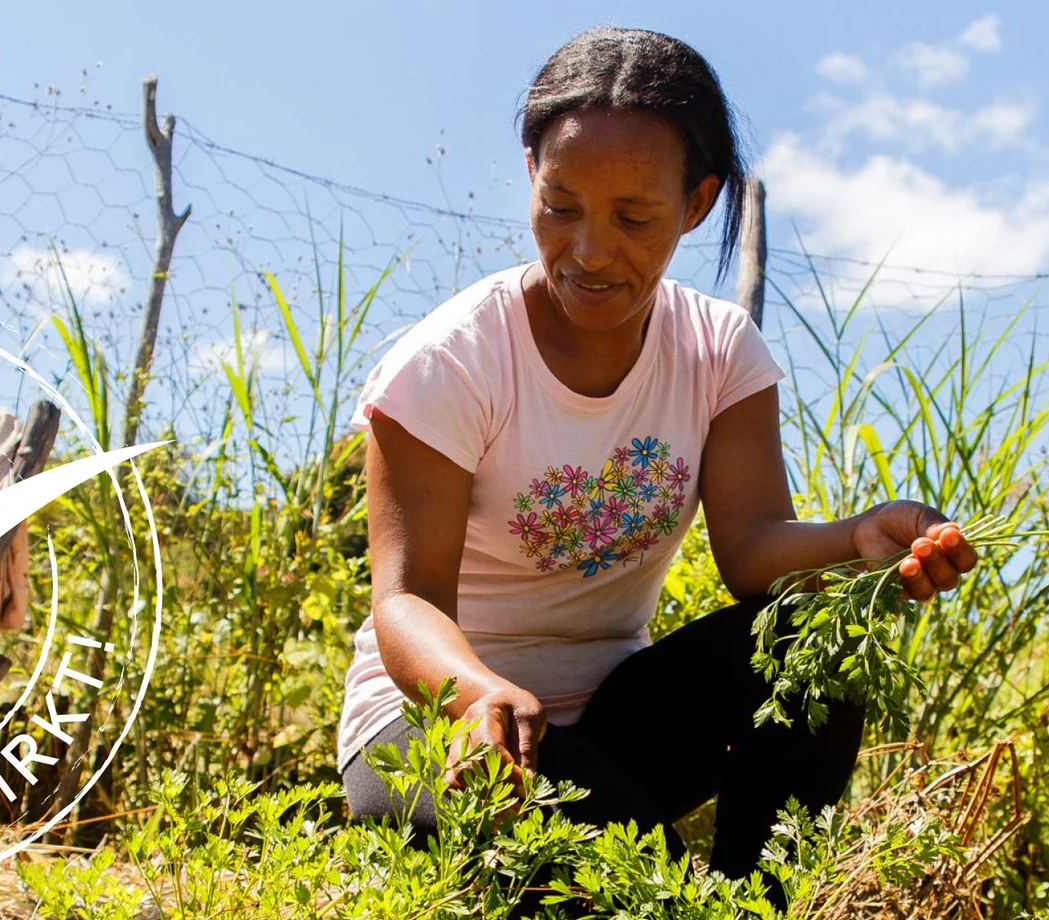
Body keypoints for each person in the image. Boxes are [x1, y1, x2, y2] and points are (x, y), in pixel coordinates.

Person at [337, 25, 978, 895]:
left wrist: (859, 538)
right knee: (630, 873)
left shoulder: (719, 353)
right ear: (530, 175)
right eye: (559, 207)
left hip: (613, 716)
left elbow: (752, 550)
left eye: (633, 218)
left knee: (809, 645)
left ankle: (765, 903)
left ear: (699, 202)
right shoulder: (451, 361)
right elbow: (405, 599)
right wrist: (476, 694)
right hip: (438, 722)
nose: (589, 251)